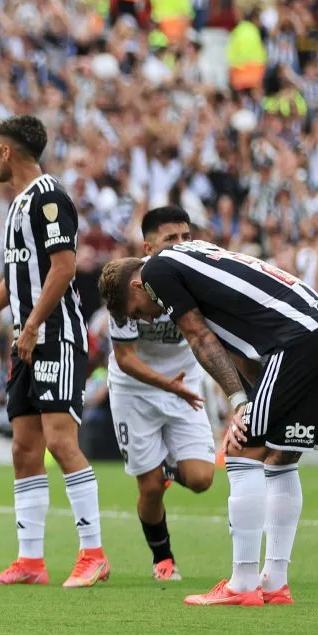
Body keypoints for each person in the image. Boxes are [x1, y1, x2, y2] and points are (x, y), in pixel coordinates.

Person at [98, 239, 318, 606]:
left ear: (137, 285)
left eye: (137, 311)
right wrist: (254, 400)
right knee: (281, 458)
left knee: (240, 450)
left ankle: (243, 583)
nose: (147, 319)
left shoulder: (156, 270)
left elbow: (200, 338)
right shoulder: (193, 258)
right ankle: (275, 583)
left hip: (299, 344)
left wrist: (240, 404)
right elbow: (242, 352)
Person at [0, 115, 107, 588]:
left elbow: (64, 267)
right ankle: (30, 561)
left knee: (60, 442)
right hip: (26, 338)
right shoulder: (17, 204)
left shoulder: (49, 197)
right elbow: (16, 279)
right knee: (24, 448)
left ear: (5, 151)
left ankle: (93, 553)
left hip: (55, 334)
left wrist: (33, 324)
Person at [101, 207, 215, 582]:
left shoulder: (203, 278)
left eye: (186, 237)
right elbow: (125, 357)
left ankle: (165, 466)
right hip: (135, 389)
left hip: (185, 382)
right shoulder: (126, 284)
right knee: (150, 489)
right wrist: (167, 385)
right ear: (148, 248)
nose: (181, 245)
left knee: (201, 479)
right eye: (171, 239)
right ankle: (163, 559)